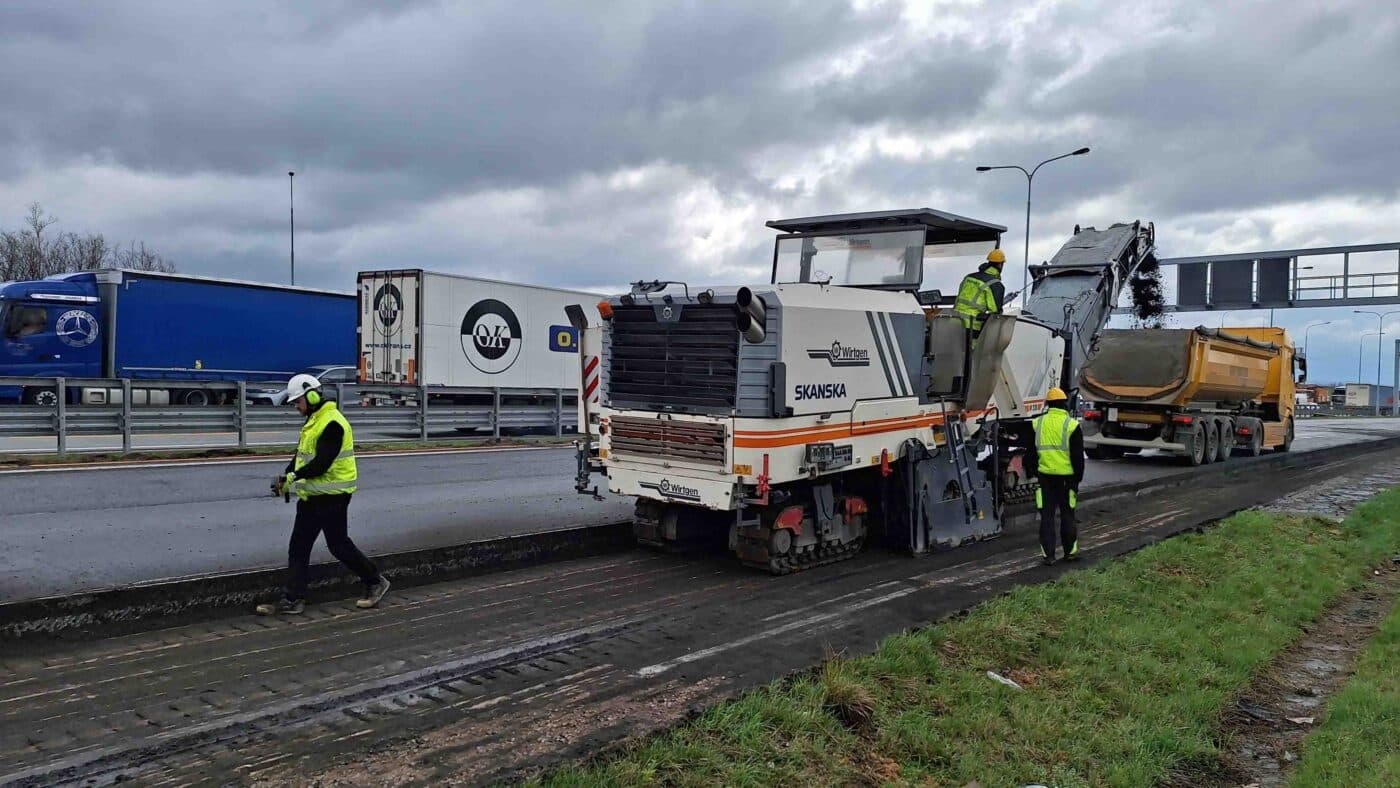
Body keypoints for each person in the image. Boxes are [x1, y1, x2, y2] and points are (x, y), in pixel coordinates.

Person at [256, 373, 389, 615]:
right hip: (312, 496)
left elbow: (322, 463)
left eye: (297, 402)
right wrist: (287, 475)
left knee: (338, 545)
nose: (296, 407)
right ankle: (293, 599)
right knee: (298, 547)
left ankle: (375, 581)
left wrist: (294, 478)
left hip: (333, 496)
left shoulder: (332, 423)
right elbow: (301, 456)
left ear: (312, 396)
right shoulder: (314, 420)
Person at [1030, 386, 1084, 565]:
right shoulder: (1072, 425)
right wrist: (1077, 479)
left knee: (1047, 517)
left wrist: (1034, 472)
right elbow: (1078, 457)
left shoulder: (1037, 423)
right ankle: (1070, 553)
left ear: (1048, 404)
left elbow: (1030, 454)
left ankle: (1049, 556)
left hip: (1045, 478)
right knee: (1067, 515)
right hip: (1067, 480)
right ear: (1064, 404)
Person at [953, 248, 1007, 338]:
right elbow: (995, 311)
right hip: (972, 326)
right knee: (971, 351)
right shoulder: (995, 284)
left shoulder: (969, 277)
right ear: (1001, 265)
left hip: (954, 322)